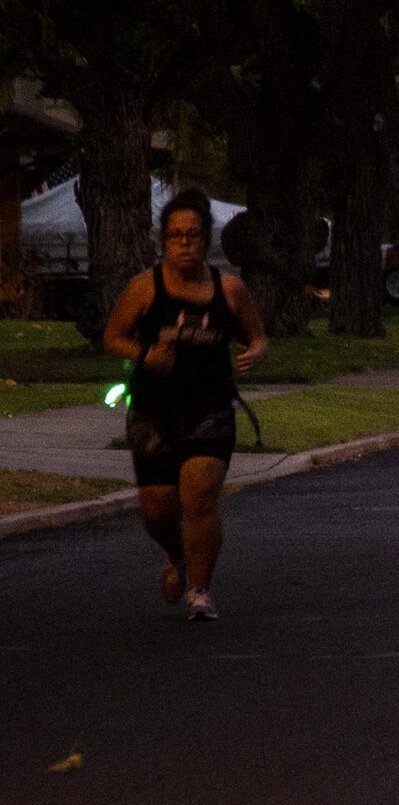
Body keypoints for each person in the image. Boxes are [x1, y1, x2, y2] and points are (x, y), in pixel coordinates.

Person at [102, 190, 269, 621]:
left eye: (192, 234)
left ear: (206, 237)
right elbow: (113, 336)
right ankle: (177, 554)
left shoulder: (228, 289)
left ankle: (200, 590)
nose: (184, 243)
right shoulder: (145, 287)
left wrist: (255, 351)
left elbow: (257, 334)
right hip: (155, 413)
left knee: (200, 498)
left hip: (210, 409)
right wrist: (144, 354)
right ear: (164, 241)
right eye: (175, 235)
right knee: (157, 512)